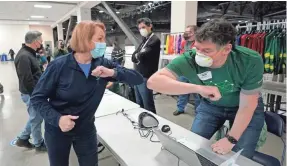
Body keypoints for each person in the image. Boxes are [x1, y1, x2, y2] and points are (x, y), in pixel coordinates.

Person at [147, 19, 265, 159]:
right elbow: (153, 82)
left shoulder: (249, 60)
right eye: (197, 48)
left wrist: (231, 139)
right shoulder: (190, 59)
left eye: (207, 50)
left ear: (226, 49)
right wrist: (198, 88)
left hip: (243, 107)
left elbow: (247, 106)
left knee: (240, 156)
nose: (200, 54)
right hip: (211, 106)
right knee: (192, 147)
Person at [30, 20, 143, 166]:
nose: (104, 43)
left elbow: (137, 79)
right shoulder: (59, 66)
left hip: (86, 129)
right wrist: (58, 119)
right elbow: (37, 98)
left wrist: (112, 72)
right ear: (85, 39)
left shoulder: (102, 64)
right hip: (58, 130)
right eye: (100, 39)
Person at [14, 31, 47, 152]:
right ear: (35, 41)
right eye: (41, 40)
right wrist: (36, 96)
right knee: (37, 119)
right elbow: (27, 80)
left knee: (35, 117)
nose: (42, 42)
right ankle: (39, 144)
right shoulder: (24, 56)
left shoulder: (30, 54)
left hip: (34, 92)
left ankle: (23, 138)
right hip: (31, 94)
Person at [131, 17, 160, 114]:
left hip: (146, 76)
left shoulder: (154, 40)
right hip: (138, 75)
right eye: (139, 28)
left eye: (143, 27)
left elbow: (142, 55)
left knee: (148, 104)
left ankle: (153, 123)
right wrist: (137, 55)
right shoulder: (144, 40)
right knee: (139, 102)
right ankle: (143, 120)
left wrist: (137, 55)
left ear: (150, 26)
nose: (141, 30)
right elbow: (134, 55)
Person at [174, 25, 201, 116]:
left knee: (197, 93)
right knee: (182, 90)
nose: (187, 34)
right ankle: (180, 108)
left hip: (195, 72)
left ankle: (198, 111)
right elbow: (182, 56)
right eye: (186, 32)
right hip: (184, 71)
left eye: (189, 32)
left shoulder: (199, 43)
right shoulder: (184, 43)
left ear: (195, 33)